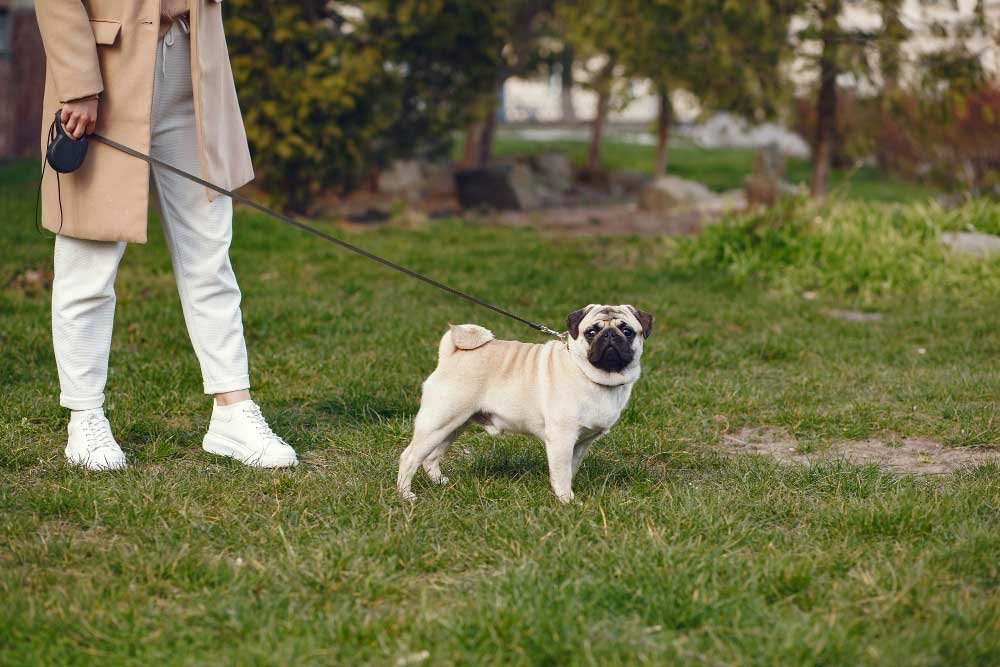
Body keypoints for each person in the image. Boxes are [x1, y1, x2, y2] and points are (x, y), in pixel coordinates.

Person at [35, 0, 298, 470]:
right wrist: (77, 83)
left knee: (210, 254)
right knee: (87, 259)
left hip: (194, 71)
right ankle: (85, 415)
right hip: (105, 77)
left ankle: (232, 410)